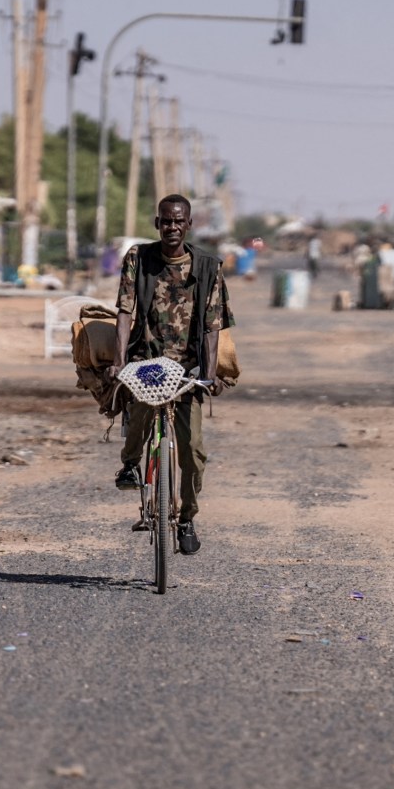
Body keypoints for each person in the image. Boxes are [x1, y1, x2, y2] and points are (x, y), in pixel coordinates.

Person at [113, 194, 233, 555]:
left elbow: (213, 326)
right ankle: (130, 465)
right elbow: (124, 312)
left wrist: (209, 375)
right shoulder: (139, 258)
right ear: (157, 223)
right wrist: (119, 363)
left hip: (186, 370)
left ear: (189, 225)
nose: (172, 227)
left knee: (193, 452)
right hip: (145, 364)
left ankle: (186, 518)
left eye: (179, 221)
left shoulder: (208, 267)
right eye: (166, 221)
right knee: (139, 417)